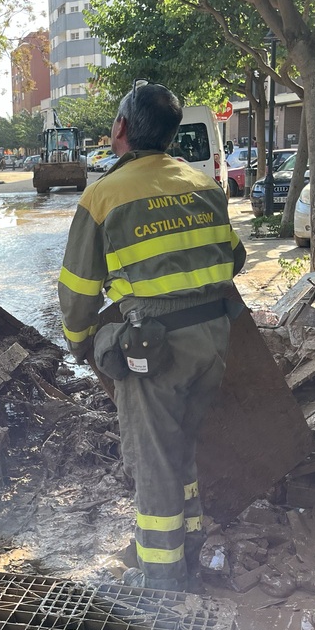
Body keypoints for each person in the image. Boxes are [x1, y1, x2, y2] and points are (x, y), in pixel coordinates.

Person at [58, 81, 246, 592]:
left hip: (156, 353)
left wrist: (82, 345)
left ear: (121, 128)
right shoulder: (204, 184)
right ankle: (188, 542)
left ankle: (163, 583)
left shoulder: (104, 196)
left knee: (153, 465)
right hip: (214, 341)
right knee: (181, 449)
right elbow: (235, 257)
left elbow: (78, 290)